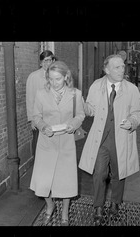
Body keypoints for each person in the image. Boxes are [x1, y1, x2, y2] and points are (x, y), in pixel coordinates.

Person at [79, 54, 140, 225]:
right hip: (100, 139)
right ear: (106, 69)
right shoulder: (95, 86)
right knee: (99, 173)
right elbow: (90, 109)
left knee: (119, 173)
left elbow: (137, 112)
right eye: (117, 67)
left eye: (123, 66)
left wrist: (132, 122)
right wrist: (84, 106)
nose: (122, 70)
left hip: (121, 137)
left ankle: (115, 203)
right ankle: (98, 206)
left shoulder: (132, 89)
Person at [29, 61, 85, 226]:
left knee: (66, 180)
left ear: (66, 77)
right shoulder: (41, 94)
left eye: (58, 79)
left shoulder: (75, 94)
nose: (54, 83)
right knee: (43, 179)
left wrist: (73, 125)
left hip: (66, 142)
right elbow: (36, 116)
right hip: (47, 142)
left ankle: (65, 212)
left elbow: (80, 114)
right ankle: (50, 205)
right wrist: (43, 126)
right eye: (51, 79)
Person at [26, 50, 56, 159]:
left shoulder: (56, 75)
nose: (48, 63)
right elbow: (30, 99)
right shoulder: (33, 77)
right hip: (39, 118)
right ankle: (38, 168)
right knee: (38, 143)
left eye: (50, 60)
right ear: (40, 63)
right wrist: (32, 119)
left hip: (53, 117)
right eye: (45, 61)